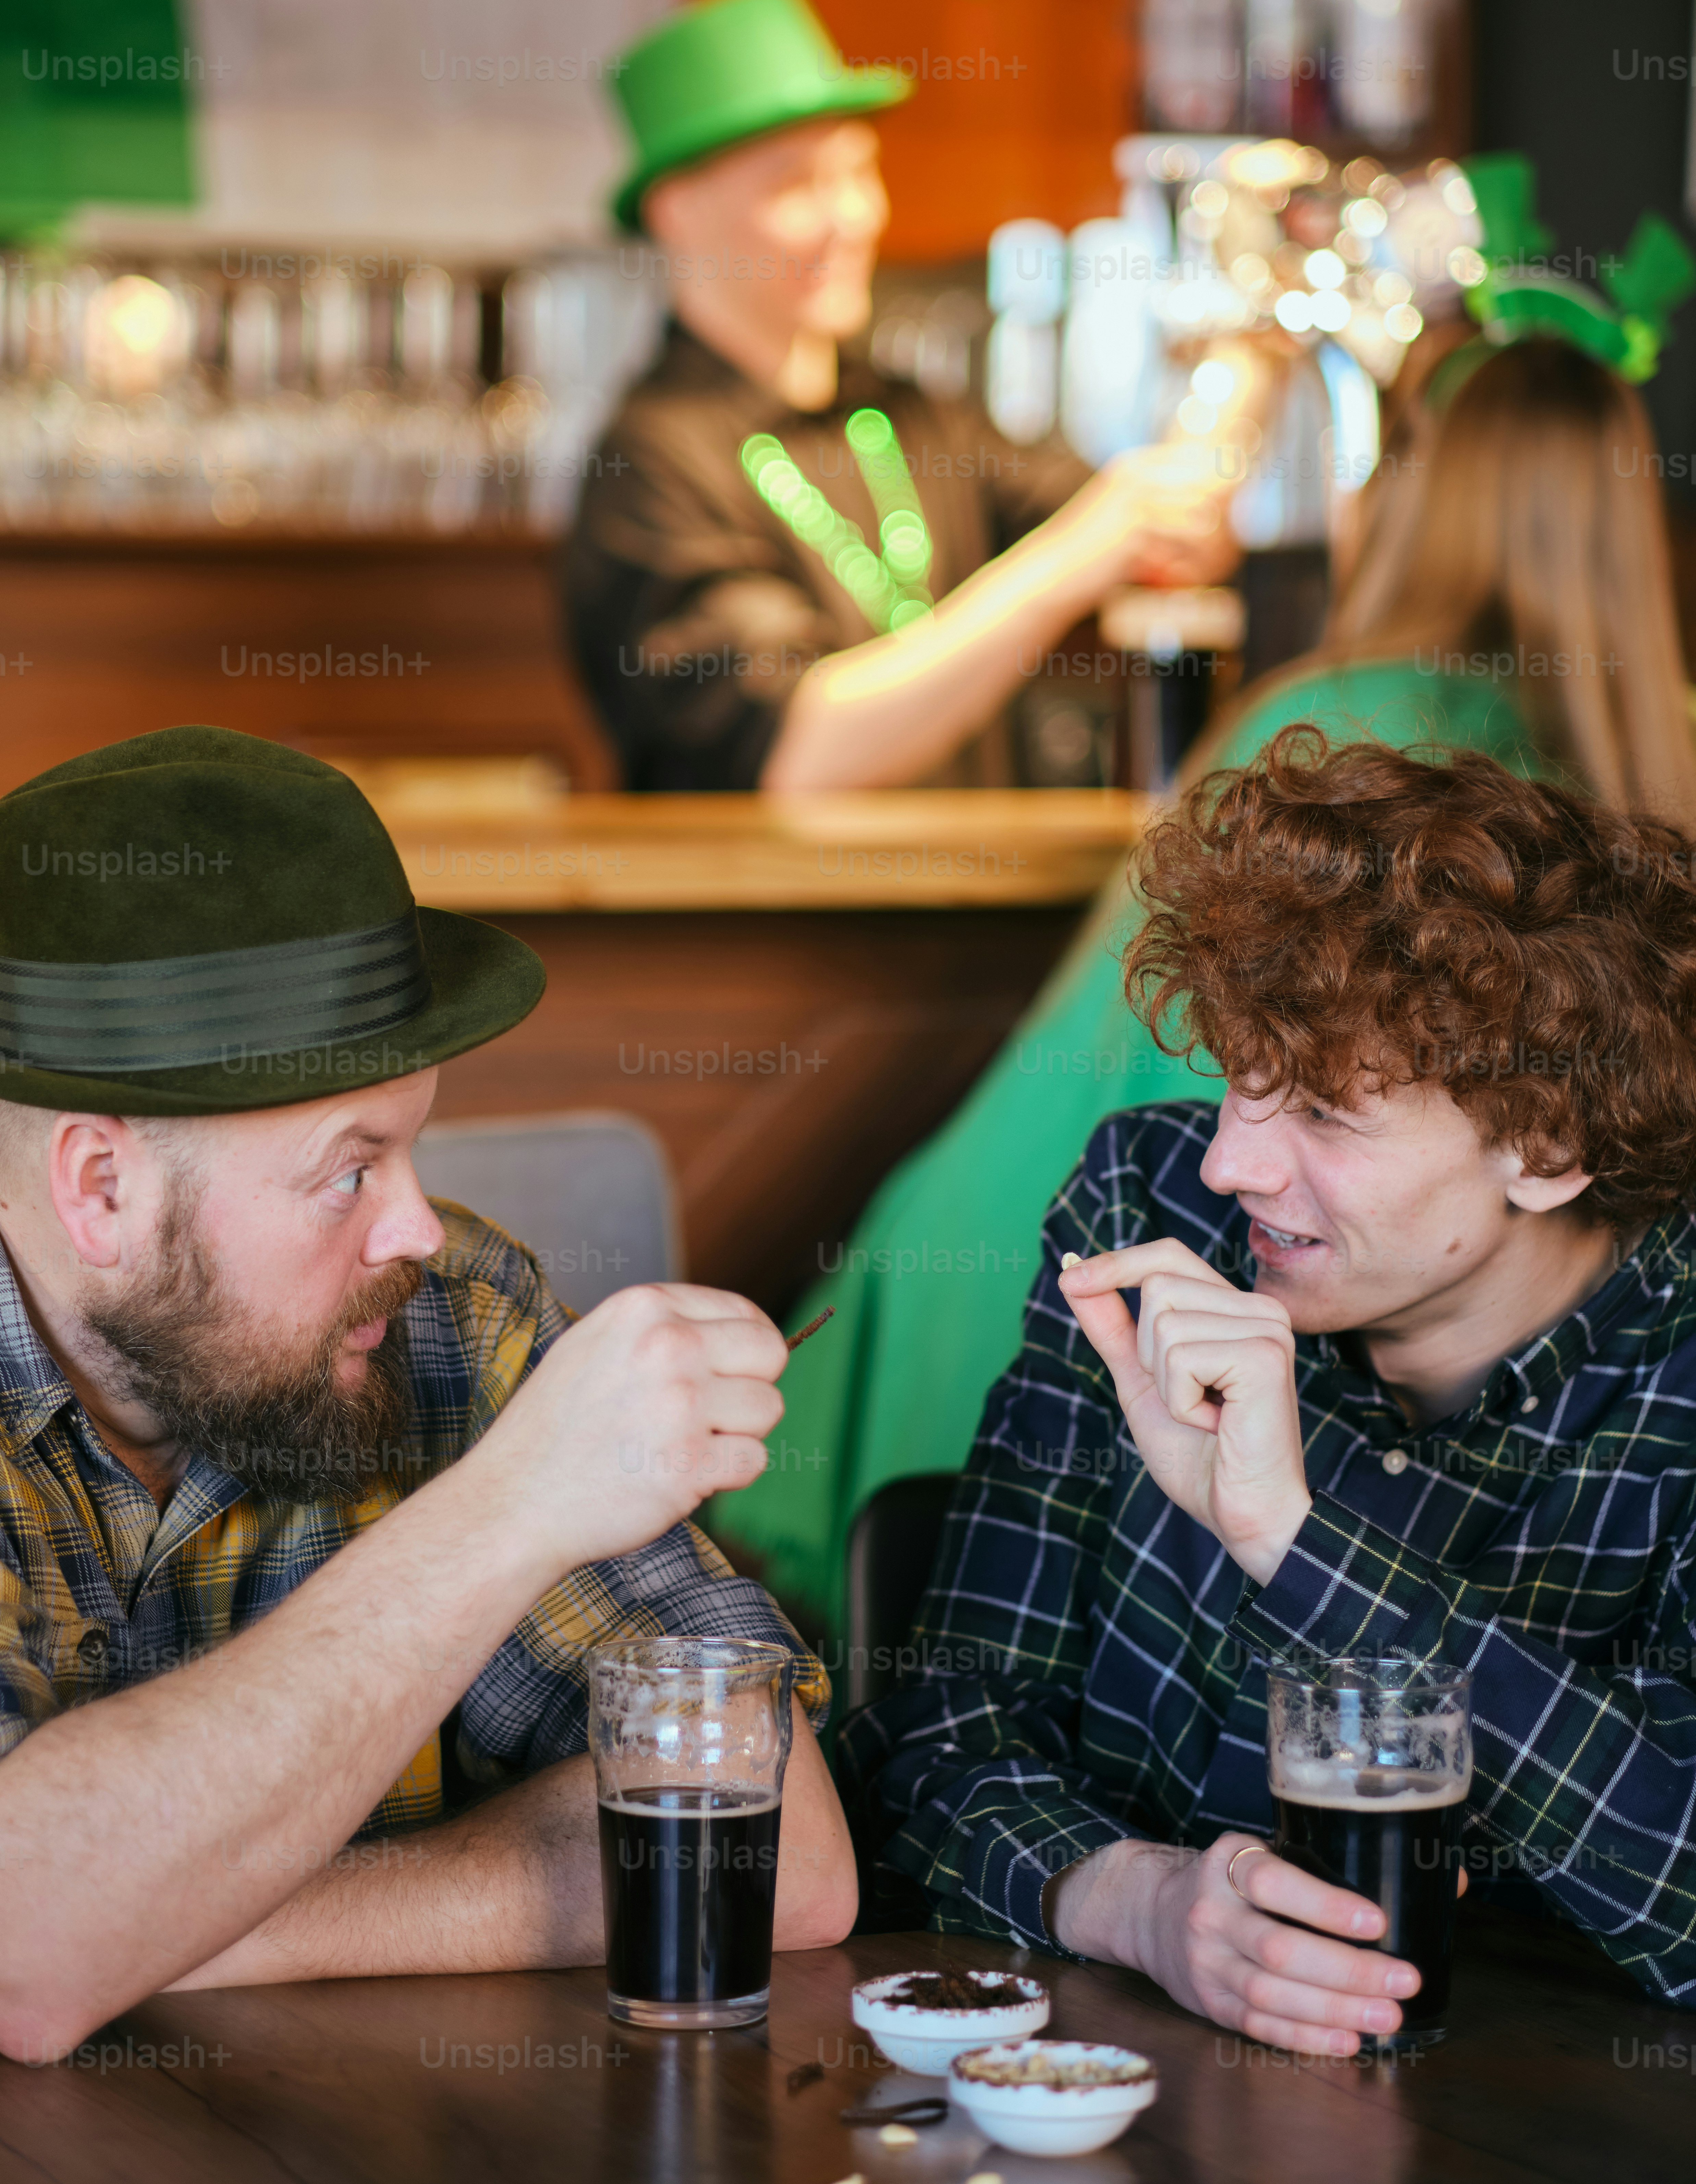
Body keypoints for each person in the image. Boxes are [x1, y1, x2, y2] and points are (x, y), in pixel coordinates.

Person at [710, 315, 1696, 1635]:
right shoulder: (1658, 764)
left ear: (1402, 493)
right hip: (1088, 1291)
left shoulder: (1325, 722)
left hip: (1019, 1262)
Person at [0, 727, 855, 2064]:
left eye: (416, 1144)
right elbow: (14, 1949)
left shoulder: (445, 1314)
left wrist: (163, 1923)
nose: (420, 1230)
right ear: (100, 1188)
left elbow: (780, 1862)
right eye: (347, 1169)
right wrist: (505, 1511)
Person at [838, 727, 1696, 2035]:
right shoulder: (1151, 1202)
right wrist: (1140, 1902)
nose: (1234, 1162)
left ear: (1550, 1141)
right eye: (1238, 1080)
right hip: (1111, 2098)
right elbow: (940, 1728)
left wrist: (1292, 1540)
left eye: (1323, 1113)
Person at [566, 0, 1231, 789]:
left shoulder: (912, 417)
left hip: (964, 909)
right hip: (768, 918)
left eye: (858, 173)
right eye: (796, 184)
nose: (853, 217)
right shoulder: (649, 463)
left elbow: (1168, 538)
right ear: (678, 210)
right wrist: (1077, 554)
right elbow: (796, 755)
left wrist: (1253, 343)